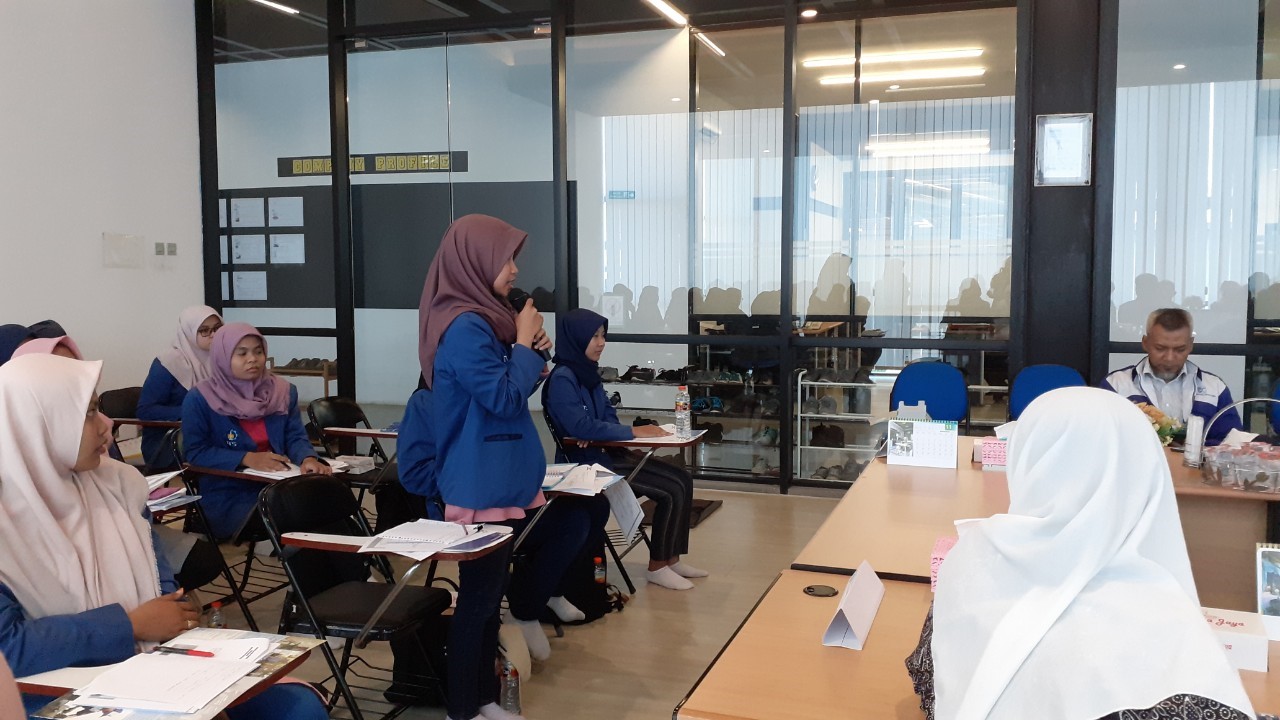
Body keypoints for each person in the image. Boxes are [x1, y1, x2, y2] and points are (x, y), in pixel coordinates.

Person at [0, 354, 327, 720]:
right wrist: (130, 625)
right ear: (38, 424)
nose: (108, 424)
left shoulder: (117, 484)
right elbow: (8, 646)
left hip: (151, 665)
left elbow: (161, 584)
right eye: (89, 412)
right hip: (50, 689)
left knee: (298, 707)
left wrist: (177, 631)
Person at [907, 386, 1254, 720]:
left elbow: (930, 681)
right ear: (1147, 467)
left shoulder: (971, 557)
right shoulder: (1167, 632)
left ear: (1026, 460)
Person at [398, 213, 553, 720]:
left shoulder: (484, 321)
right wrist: (523, 347)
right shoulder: (464, 325)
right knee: (478, 601)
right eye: (505, 259)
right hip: (478, 480)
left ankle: (482, 696)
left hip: (497, 476)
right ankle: (465, 706)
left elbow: (505, 389)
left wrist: (530, 355)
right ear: (475, 261)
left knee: (489, 598)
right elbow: (503, 398)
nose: (514, 270)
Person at [543, 308, 707, 591]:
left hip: (606, 452)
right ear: (577, 337)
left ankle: (671, 558)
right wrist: (626, 432)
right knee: (669, 490)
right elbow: (579, 427)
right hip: (586, 464)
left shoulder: (587, 373)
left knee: (682, 478)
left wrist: (594, 431)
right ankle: (657, 566)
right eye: (594, 336)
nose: (601, 343)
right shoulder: (563, 379)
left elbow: (605, 418)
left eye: (603, 335)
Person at [181, 323, 331, 541]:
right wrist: (247, 458)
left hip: (280, 484)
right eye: (242, 353)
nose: (252, 359)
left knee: (331, 503)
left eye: (258, 352)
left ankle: (349, 564)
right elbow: (196, 452)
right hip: (231, 494)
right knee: (306, 513)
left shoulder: (282, 391)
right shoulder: (200, 399)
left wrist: (307, 458)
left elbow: (294, 436)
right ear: (222, 357)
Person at [1100, 307, 1242, 445]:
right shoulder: (1117, 385)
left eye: (1179, 350)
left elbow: (1232, 442)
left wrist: (1191, 452)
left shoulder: (1214, 388)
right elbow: (1102, 437)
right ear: (1145, 343)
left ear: (1191, 345)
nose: (1169, 358)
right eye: (1160, 349)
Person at [138, 306, 222, 471]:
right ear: (188, 333)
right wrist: (194, 412)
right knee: (229, 447)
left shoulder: (222, 358)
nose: (213, 335)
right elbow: (145, 410)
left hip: (210, 431)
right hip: (167, 441)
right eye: (204, 331)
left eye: (217, 328)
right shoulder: (168, 362)